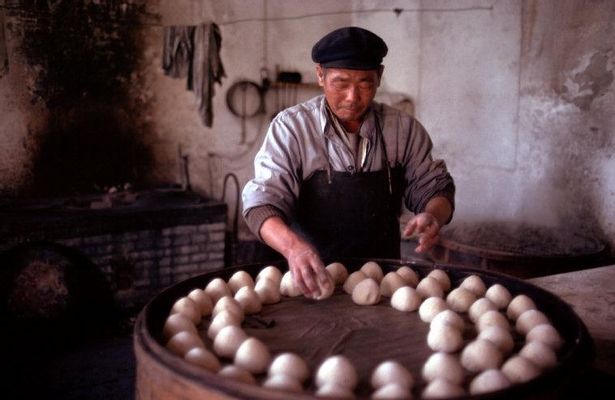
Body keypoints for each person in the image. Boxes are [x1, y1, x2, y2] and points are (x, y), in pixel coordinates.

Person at [242, 26, 455, 299]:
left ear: (379, 76)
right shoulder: (292, 129)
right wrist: (293, 247)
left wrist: (433, 215)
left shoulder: (404, 130)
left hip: (383, 285)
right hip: (310, 280)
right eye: (341, 83)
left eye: (365, 83)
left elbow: (434, 187)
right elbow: (262, 202)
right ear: (320, 75)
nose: (353, 97)